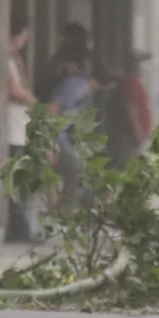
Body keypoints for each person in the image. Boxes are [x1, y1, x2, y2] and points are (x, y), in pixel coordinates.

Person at [47, 45, 97, 213]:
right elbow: (52, 109)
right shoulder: (75, 85)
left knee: (74, 173)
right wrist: (49, 142)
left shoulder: (78, 86)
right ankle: (64, 212)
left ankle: (68, 211)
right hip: (55, 136)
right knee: (76, 173)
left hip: (61, 136)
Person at [5, 13, 40, 243]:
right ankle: (18, 228)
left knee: (22, 179)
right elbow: (15, 91)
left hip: (21, 125)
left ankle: (20, 227)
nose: (24, 41)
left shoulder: (15, 60)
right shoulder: (6, 61)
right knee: (16, 180)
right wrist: (38, 105)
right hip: (13, 127)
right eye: (23, 36)